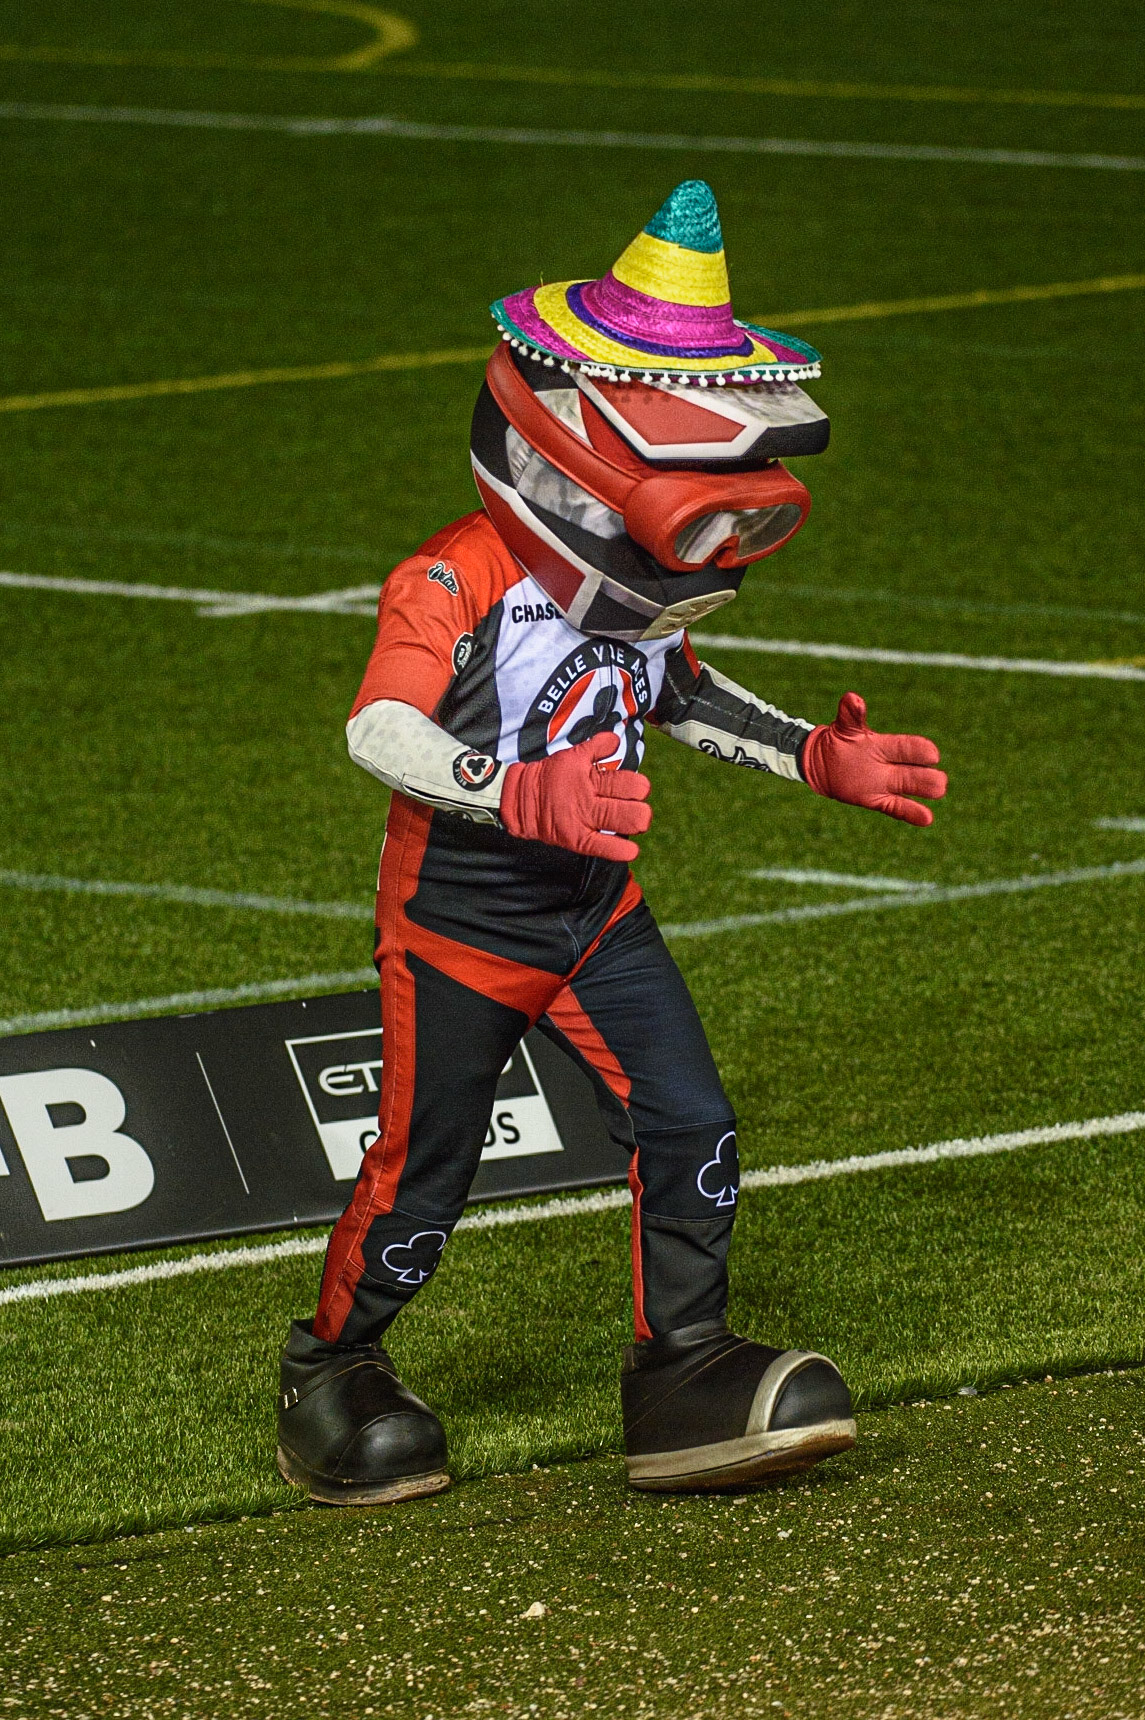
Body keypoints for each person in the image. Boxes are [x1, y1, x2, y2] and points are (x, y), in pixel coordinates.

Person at [276, 181, 947, 1504]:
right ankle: (328, 1370)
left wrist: (815, 752)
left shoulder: (629, 608)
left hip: (594, 917)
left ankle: (681, 1371)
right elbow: (379, 729)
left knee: (689, 1121)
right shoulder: (453, 576)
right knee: (422, 1182)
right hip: (458, 928)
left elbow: (678, 692)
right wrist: (512, 789)